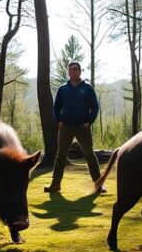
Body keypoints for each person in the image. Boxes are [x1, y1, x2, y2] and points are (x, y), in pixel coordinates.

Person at [44, 61, 104, 193]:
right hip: (65, 127)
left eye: (75, 69)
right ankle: (55, 184)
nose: (72, 72)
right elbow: (56, 107)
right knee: (61, 155)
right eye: (70, 70)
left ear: (80, 71)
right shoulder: (62, 89)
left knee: (89, 154)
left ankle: (99, 184)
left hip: (82, 127)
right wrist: (58, 120)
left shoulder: (87, 88)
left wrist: (89, 121)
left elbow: (94, 106)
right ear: (68, 71)